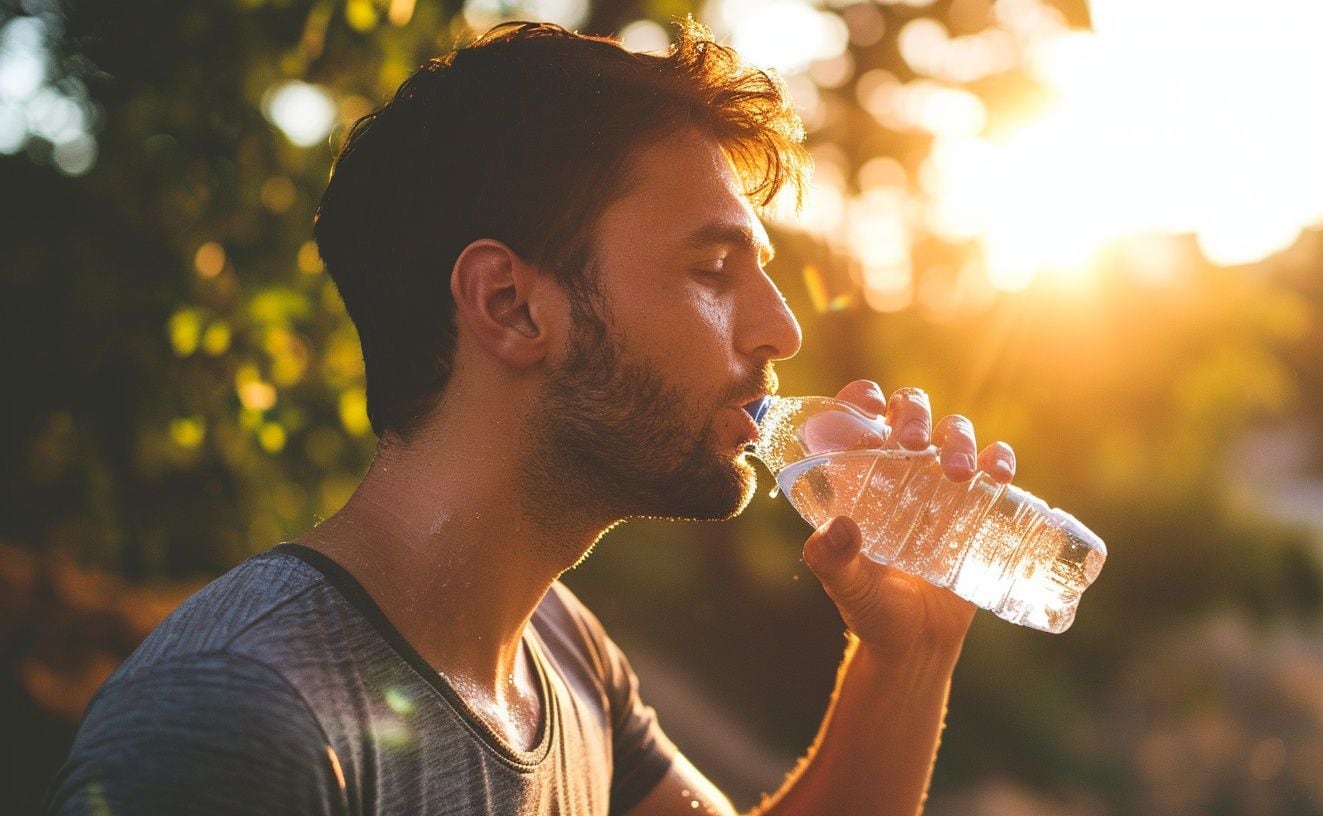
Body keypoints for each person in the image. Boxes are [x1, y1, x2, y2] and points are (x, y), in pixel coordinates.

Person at [50, 19, 1016, 816]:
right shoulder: (231, 725)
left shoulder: (561, 650)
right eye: (712, 271)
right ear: (509, 305)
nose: (782, 329)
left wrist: (908, 652)